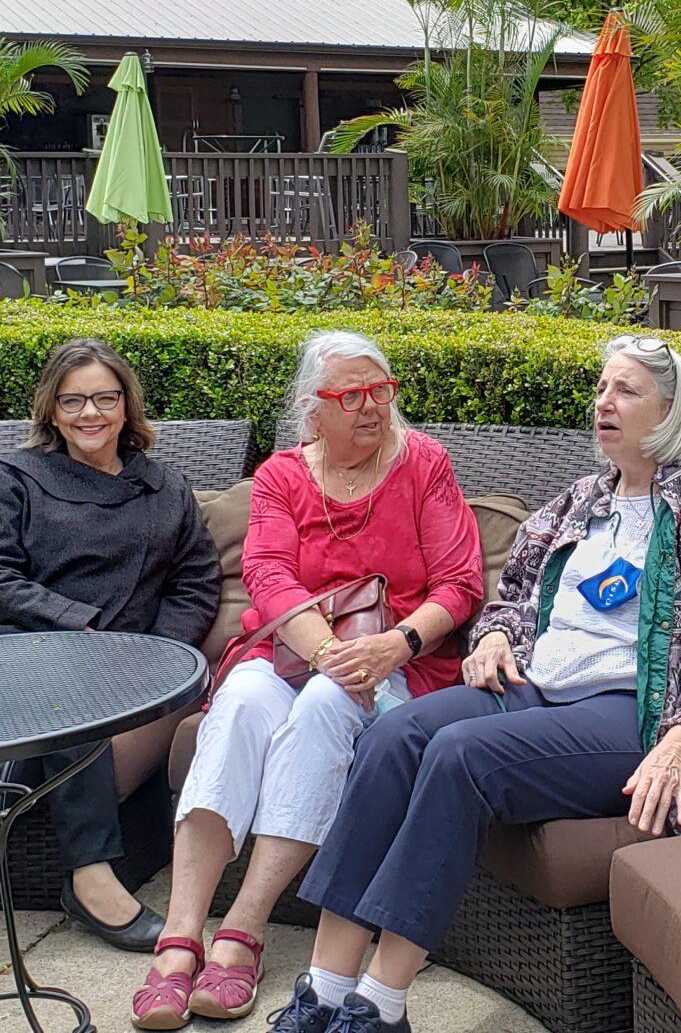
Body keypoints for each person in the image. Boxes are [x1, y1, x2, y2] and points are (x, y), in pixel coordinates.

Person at [274, 334, 681, 1033]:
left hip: (634, 712)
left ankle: (380, 1005)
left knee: (460, 756)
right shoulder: (580, 501)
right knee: (393, 735)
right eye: (602, 388)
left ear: (671, 407)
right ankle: (326, 990)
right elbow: (510, 593)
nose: (605, 402)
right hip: (538, 688)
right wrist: (493, 638)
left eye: (627, 391)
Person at [131, 331, 484, 1030]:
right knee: (235, 710)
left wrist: (394, 643)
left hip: (401, 660)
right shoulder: (281, 476)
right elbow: (267, 575)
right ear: (311, 410)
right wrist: (328, 651)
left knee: (326, 706)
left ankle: (243, 932)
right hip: (294, 651)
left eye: (380, 391)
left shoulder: (424, 465)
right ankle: (179, 940)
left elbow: (461, 583)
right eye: (349, 395)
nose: (371, 407)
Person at [0, 338, 221, 983]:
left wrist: (155, 652)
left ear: (126, 405)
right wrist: (80, 627)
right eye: (74, 400)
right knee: (65, 697)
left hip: (112, 663)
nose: (91, 413)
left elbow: (196, 585)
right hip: (6, 642)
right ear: (52, 412)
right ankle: (92, 878)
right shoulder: (15, 477)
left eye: (105, 398)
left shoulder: (164, 488)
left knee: (36, 737)